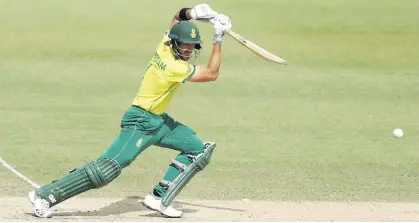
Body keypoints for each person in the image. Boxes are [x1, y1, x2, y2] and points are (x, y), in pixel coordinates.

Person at [28, 4, 232, 219]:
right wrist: (218, 40)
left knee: (197, 150)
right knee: (106, 169)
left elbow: (176, 16)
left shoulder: (164, 46)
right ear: (174, 43)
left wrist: (193, 14)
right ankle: (44, 195)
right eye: (184, 45)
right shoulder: (174, 67)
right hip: (140, 122)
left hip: (159, 122)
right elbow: (211, 74)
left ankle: (159, 197)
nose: (188, 50)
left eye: (192, 46)